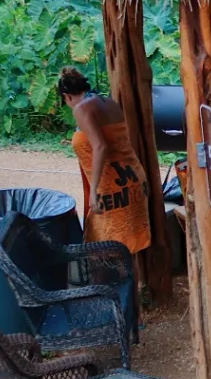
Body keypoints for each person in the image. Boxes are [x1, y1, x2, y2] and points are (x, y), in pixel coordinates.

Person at [58, 68, 152, 256]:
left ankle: (113, 285)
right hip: (134, 179)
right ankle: (132, 285)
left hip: (112, 188)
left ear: (67, 96)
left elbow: (100, 146)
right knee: (128, 245)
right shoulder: (109, 102)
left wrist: (93, 192)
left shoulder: (81, 109)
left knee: (107, 248)